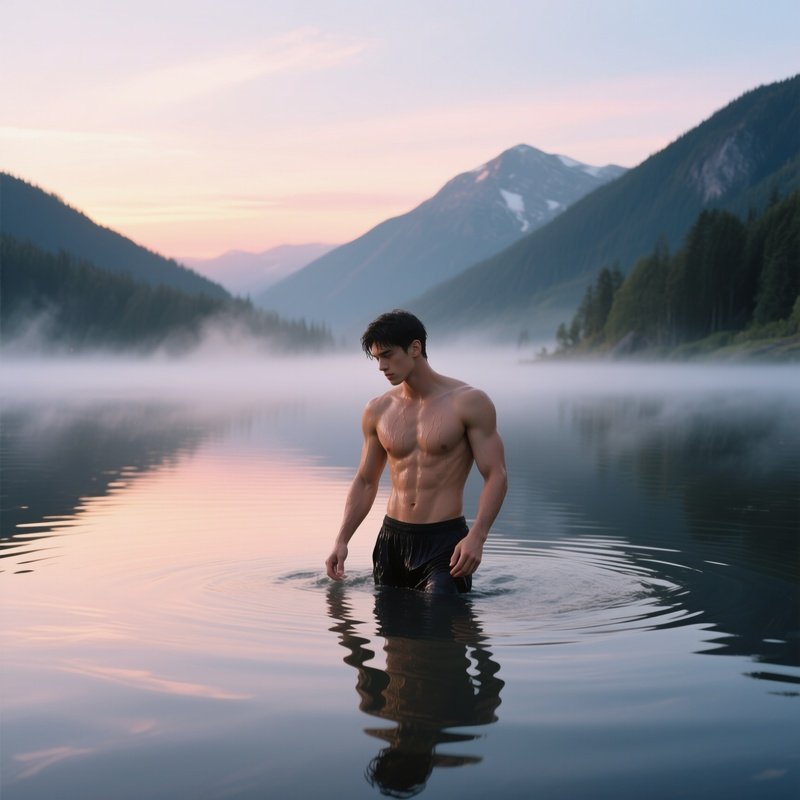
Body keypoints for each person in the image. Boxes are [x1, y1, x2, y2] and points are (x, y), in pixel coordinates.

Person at [324, 309, 507, 594]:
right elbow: (365, 480)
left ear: (415, 348)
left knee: (440, 628)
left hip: (444, 543)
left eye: (387, 355)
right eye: (376, 358)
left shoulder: (469, 402)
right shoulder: (378, 409)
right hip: (391, 542)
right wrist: (342, 540)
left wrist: (477, 537)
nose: (381, 366)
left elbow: (496, 474)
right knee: (391, 635)